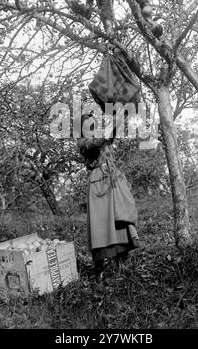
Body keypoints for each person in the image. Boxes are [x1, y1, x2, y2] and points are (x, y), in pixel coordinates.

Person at [77, 112, 139, 282]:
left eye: (93, 124)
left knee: (119, 219)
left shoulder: (103, 137)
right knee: (100, 226)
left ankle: (121, 266)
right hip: (98, 184)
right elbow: (96, 142)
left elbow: (110, 135)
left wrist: (120, 117)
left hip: (113, 179)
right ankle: (99, 272)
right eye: (87, 126)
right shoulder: (83, 142)